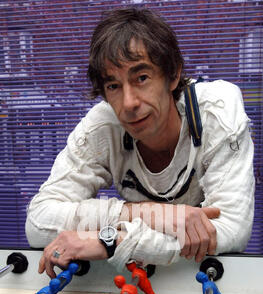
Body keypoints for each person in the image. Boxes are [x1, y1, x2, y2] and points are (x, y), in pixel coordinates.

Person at [25, 7, 255, 279]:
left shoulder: (218, 112)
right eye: (113, 86)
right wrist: (153, 214)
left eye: (141, 78)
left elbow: (231, 228)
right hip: (140, 277)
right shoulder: (102, 125)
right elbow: (39, 221)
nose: (128, 103)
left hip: (206, 276)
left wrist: (112, 241)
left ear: (172, 75)